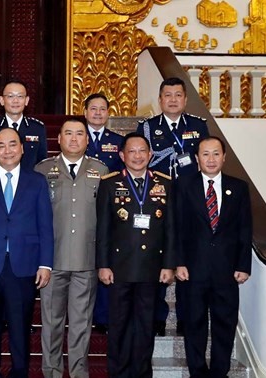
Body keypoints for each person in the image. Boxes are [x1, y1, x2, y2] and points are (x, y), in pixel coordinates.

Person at [0, 127, 54, 378]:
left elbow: (45, 225)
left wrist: (45, 264)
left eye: (12, 144)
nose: (7, 150)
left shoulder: (36, 181)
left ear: (22, 148)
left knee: (20, 326)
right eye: (1, 145)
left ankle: (19, 372)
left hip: (23, 264)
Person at [96, 132, 176, 378]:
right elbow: (103, 229)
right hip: (119, 268)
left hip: (152, 268)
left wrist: (169, 264)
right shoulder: (109, 183)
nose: (138, 156)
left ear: (150, 155)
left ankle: (142, 373)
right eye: (132, 151)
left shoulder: (165, 183)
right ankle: (118, 373)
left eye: (142, 150)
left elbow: (171, 228)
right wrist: (103, 265)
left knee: (145, 325)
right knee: (118, 326)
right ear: (122, 155)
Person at [35, 119, 108, 378]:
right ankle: (52, 372)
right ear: (59, 139)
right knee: (52, 323)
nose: (74, 139)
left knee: (80, 325)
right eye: (68, 133)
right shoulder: (42, 170)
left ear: (87, 140)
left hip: (86, 260)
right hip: (51, 261)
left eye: (80, 134)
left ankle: (79, 373)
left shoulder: (101, 170)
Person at [136, 76, 209, 336]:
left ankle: (186, 318)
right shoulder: (147, 127)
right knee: (157, 258)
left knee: (189, 260)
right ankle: (157, 316)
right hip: (159, 200)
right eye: (168, 95)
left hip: (191, 202)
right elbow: (143, 160)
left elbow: (205, 161)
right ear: (160, 99)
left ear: (185, 99)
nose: (173, 99)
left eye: (178, 95)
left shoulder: (199, 126)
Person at [175, 136, 252, 378]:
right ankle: (197, 372)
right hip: (192, 269)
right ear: (197, 158)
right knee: (193, 323)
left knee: (225, 325)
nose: (211, 159)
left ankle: (220, 372)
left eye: (216, 154)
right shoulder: (183, 185)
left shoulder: (239, 188)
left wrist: (243, 264)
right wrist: (177, 262)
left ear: (224, 157)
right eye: (205, 154)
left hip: (226, 271)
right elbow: (175, 227)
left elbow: (244, 229)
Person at [83, 93, 124, 334]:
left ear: (108, 113)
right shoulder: (76, 137)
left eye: (102, 109)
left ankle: (103, 317)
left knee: (105, 263)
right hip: (82, 210)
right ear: (85, 111)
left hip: (108, 211)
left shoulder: (118, 141)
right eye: (93, 109)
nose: (98, 113)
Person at [0, 80, 47, 170]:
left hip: (28, 180)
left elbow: (42, 162)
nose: (15, 101)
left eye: (20, 96)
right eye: (10, 96)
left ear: (26, 100)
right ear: (2, 100)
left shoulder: (37, 128)